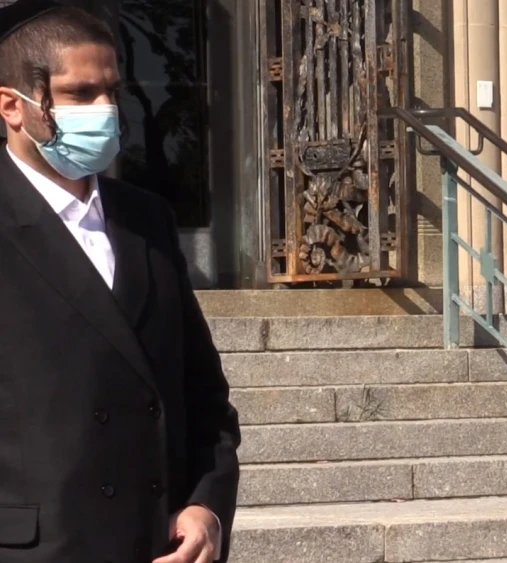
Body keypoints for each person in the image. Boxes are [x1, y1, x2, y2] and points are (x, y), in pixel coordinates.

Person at [0, 1, 241, 562]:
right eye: (82, 94)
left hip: (156, 544)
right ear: (12, 106)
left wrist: (206, 507)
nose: (106, 109)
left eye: (112, 90)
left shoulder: (145, 219)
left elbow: (202, 393)